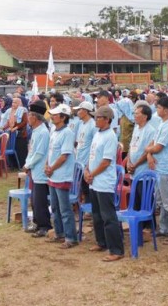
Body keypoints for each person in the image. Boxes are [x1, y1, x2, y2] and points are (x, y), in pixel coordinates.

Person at [86, 105, 125, 261]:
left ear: (107, 120)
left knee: (108, 216)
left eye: (99, 117)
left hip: (103, 181)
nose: (96, 119)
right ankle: (101, 242)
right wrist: (87, 171)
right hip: (94, 180)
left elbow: (106, 162)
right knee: (96, 215)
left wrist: (92, 174)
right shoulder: (98, 134)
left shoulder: (110, 136)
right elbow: (93, 156)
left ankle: (116, 250)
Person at [145, 96, 168, 242]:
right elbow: (153, 142)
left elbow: (158, 147)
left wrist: (149, 150)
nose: (157, 109)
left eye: (158, 107)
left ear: (166, 110)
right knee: (161, 201)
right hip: (159, 166)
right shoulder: (161, 123)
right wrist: (149, 152)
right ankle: (164, 228)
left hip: (166, 167)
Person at [45, 104, 78, 249]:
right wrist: (47, 165)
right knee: (55, 207)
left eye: (55, 115)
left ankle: (71, 237)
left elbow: (64, 156)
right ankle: (59, 233)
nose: (52, 117)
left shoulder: (67, 133)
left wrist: (51, 167)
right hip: (53, 174)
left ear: (63, 117)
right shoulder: (54, 131)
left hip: (62, 175)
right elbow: (51, 151)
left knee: (65, 209)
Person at [24, 100, 51, 237]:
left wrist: (28, 164)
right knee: (34, 200)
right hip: (34, 169)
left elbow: (39, 154)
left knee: (40, 201)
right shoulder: (36, 131)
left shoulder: (43, 132)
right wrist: (27, 164)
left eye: (29, 116)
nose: (28, 118)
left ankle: (44, 225)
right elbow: (31, 151)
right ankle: (37, 222)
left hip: (40, 170)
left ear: (35, 117)